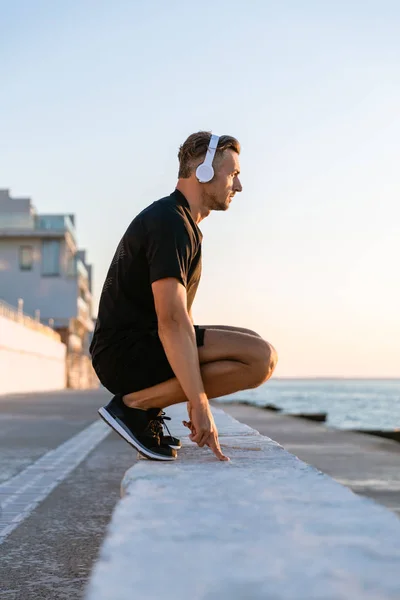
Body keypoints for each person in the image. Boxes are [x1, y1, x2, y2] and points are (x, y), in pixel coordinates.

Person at [90, 131, 278, 462]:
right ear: (203, 171)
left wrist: (194, 395)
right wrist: (200, 401)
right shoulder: (170, 222)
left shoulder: (184, 224)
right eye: (233, 174)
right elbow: (173, 320)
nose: (238, 186)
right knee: (259, 357)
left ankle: (144, 407)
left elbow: (183, 319)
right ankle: (134, 407)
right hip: (125, 355)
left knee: (255, 345)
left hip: (138, 348)